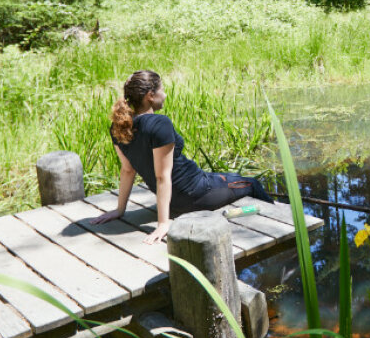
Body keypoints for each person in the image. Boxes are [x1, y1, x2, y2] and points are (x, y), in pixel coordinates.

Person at [93, 70, 272, 244]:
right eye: (162, 90)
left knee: (226, 176)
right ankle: (285, 229)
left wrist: (120, 210)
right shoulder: (159, 123)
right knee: (252, 183)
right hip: (198, 193)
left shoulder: (119, 128)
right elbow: (162, 176)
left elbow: (127, 170)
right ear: (150, 95)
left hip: (174, 202)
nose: (164, 94)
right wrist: (163, 224)